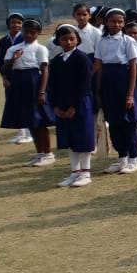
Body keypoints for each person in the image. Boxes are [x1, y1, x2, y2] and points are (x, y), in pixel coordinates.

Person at [1, 19, 56, 167]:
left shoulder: (40, 49)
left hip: (34, 82)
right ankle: (40, 153)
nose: (29, 35)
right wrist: (13, 59)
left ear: (38, 33)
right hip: (18, 83)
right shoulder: (14, 49)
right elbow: (4, 69)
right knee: (29, 121)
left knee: (40, 121)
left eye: (33, 32)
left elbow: (44, 70)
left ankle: (48, 153)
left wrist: (42, 91)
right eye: (26, 32)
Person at [95, 8, 137, 174]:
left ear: (124, 23)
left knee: (128, 123)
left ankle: (133, 160)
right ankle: (122, 159)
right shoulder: (101, 41)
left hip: (123, 79)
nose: (116, 24)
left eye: (120, 22)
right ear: (106, 22)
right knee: (114, 124)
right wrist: (98, 92)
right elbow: (98, 67)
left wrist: (130, 94)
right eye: (113, 21)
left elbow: (133, 67)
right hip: (108, 83)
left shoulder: (128, 41)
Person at [48, 25, 96, 187]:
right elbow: (51, 85)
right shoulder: (56, 61)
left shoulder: (82, 58)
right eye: (64, 39)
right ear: (58, 41)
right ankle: (75, 172)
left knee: (83, 137)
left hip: (80, 103)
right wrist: (55, 106)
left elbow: (84, 84)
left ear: (77, 40)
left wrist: (74, 106)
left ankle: (86, 173)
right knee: (70, 138)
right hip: (62, 104)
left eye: (71, 39)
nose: (68, 42)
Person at [0, 13, 32, 146]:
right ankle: (21, 132)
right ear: (8, 24)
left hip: (23, 75)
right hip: (10, 77)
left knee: (26, 103)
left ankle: (29, 132)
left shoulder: (26, 38)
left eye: (19, 22)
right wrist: (4, 78)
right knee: (14, 104)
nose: (16, 25)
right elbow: (0, 61)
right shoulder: (3, 40)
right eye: (13, 22)